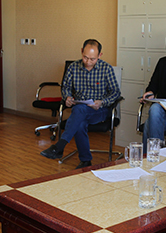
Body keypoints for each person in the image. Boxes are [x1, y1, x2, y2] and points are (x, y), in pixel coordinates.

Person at [40, 39, 121, 169]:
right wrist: (67, 97)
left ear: (100, 55)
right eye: (85, 57)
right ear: (82, 51)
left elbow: (116, 92)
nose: (88, 62)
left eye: (92, 59)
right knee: (80, 121)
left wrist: (102, 102)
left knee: (79, 111)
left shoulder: (106, 69)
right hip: (80, 108)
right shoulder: (73, 67)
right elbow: (66, 87)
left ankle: (60, 146)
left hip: (100, 110)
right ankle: (85, 160)